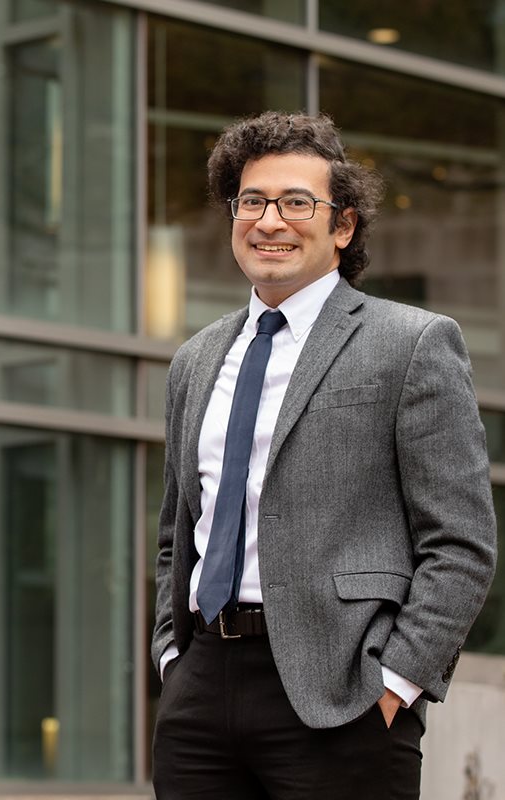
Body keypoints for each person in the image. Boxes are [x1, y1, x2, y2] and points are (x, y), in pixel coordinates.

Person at [151, 111, 497, 800]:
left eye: (295, 203)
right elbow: (175, 533)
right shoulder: (194, 360)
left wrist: (395, 682)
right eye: (250, 201)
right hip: (201, 688)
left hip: (343, 696)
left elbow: (460, 543)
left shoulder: (411, 344)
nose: (268, 220)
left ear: (341, 226)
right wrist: (170, 653)